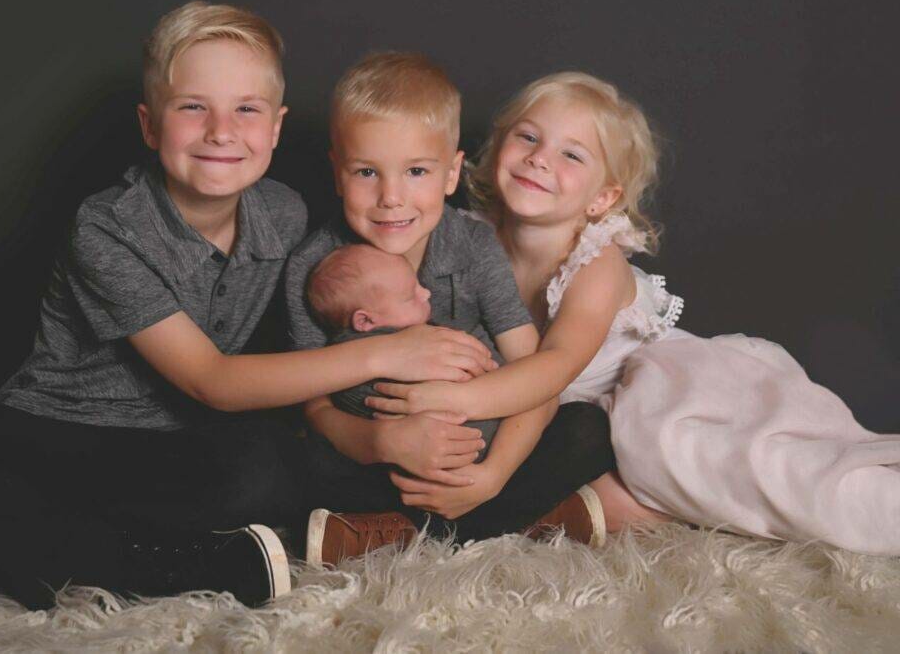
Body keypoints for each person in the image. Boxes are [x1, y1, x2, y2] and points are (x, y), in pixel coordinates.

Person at [0, 3, 497, 609]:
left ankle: (5, 550)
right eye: (193, 107)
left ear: (276, 129)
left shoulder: (285, 215)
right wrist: (388, 349)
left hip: (189, 449)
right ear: (150, 126)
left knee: (268, 460)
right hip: (67, 432)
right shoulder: (108, 228)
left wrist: (410, 390)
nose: (221, 131)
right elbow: (214, 382)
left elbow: (323, 335)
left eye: (246, 110)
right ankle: (169, 564)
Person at [365, 71, 900, 556]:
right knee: (604, 492)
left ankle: (880, 508)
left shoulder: (597, 262)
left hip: (650, 387)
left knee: (719, 463)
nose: (540, 159)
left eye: (572, 155)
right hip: (558, 413)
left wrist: (459, 399)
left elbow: (557, 365)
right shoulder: (467, 239)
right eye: (527, 137)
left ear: (603, 198)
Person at [286, 53, 617, 566]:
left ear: (451, 173)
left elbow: (540, 381)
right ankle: (523, 523)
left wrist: (492, 476)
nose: (391, 198)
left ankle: (394, 534)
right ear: (337, 171)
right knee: (284, 452)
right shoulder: (314, 264)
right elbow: (314, 408)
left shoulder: (472, 247)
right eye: (367, 172)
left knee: (588, 431)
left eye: (417, 171)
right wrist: (382, 441)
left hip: (480, 448)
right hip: (380, 452)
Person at [307, 242, 499, 457]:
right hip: (457, 447)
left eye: (418, 284)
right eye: (410, 296)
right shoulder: (350, 364)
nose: (426, 293)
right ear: (365, 320)